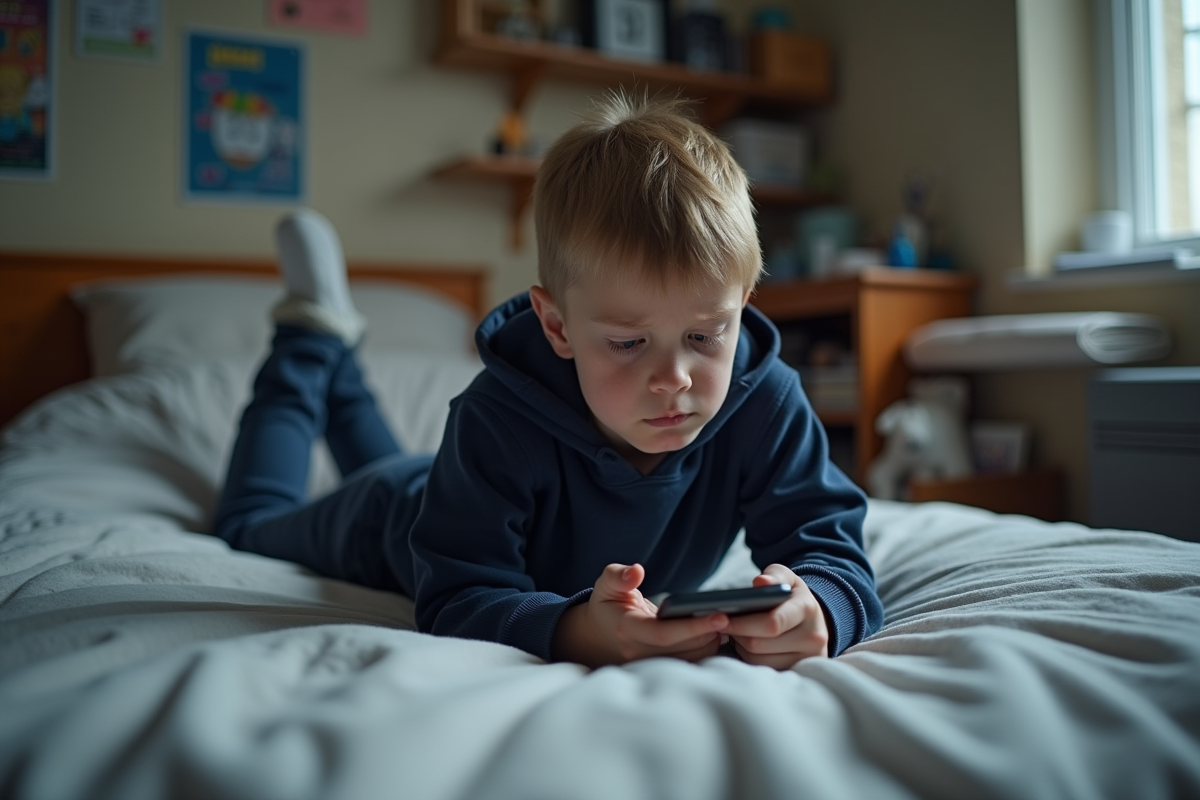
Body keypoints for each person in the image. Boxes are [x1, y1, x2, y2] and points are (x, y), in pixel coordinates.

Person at [215, 92, 883, 670]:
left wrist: (822, 606)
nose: (674, 379)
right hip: (394, 515)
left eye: (706, 336)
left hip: (451, 485)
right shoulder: (491, 421)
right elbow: (458, 593)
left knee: (386, 454)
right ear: (557, 326)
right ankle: (310, 335)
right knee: (248, 525)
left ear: (743, 306)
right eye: (628, 343)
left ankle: (340, 355)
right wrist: (573, 629)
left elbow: (827, 545)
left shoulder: (765, 403)